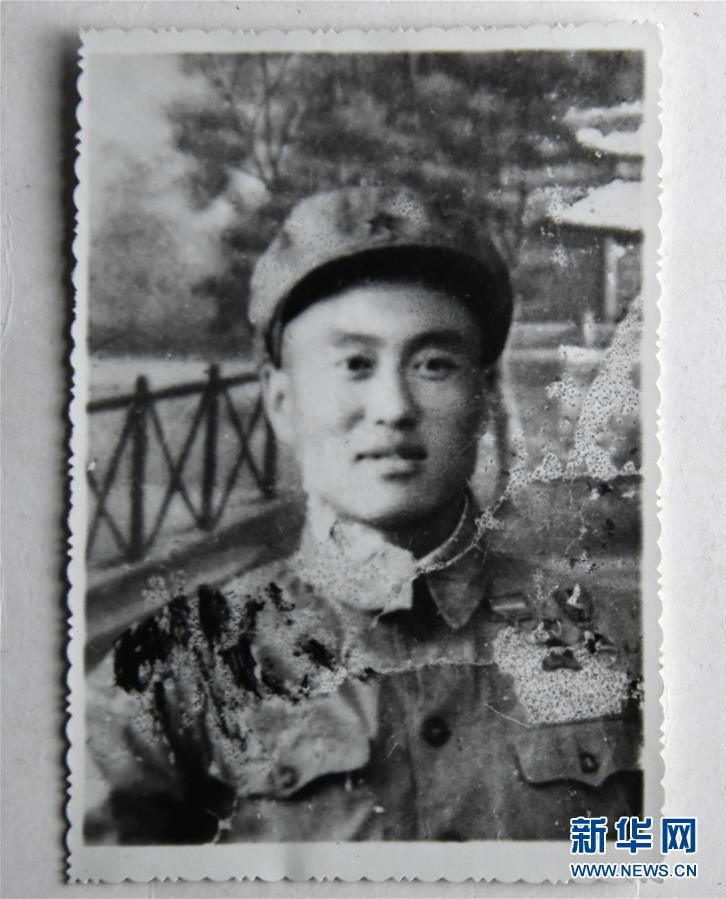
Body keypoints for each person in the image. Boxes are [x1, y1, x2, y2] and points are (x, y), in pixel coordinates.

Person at [86, 186, 642, 844]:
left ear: (485, 398)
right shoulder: (177, 671)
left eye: (433, 364)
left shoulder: (622, 642)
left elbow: (684, 861)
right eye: (353, 363)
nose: (393, 407)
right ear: (281, 400)